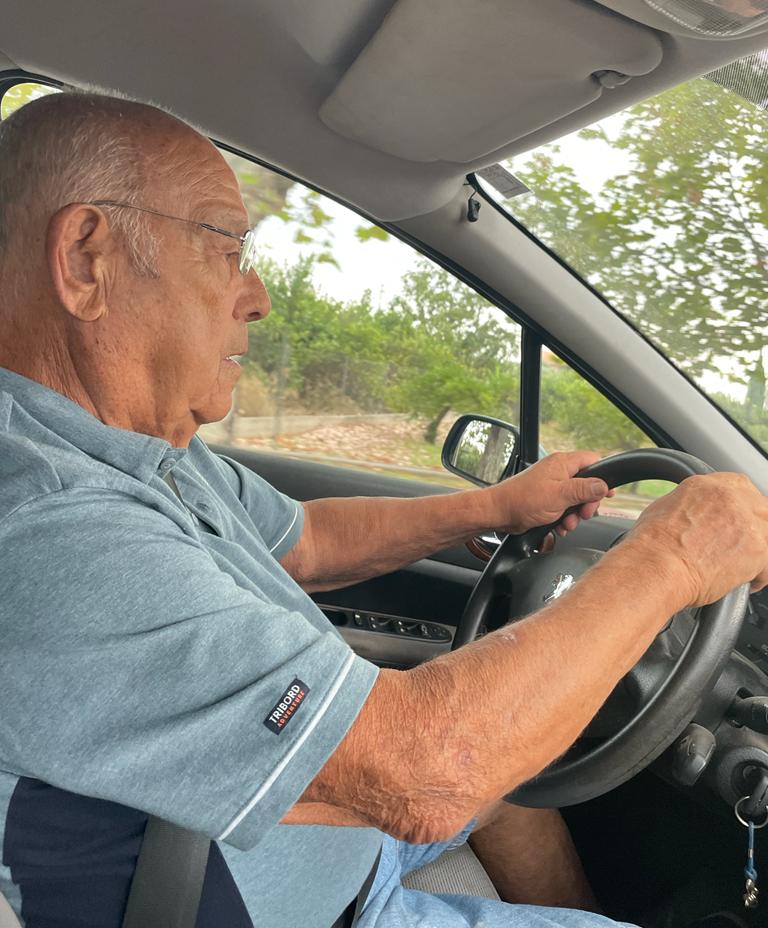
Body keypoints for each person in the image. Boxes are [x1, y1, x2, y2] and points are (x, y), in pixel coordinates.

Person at [0, 92, 765, 928]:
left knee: (514, 784)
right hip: (288, 902)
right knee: (484, 758)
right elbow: (431, 770)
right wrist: (676, 558)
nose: (255, 296)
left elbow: (307, 538)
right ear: (85, 259)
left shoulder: (144, 450)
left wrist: (499, 504)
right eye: (226, 249)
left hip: (335, 837)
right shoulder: (45, 523)